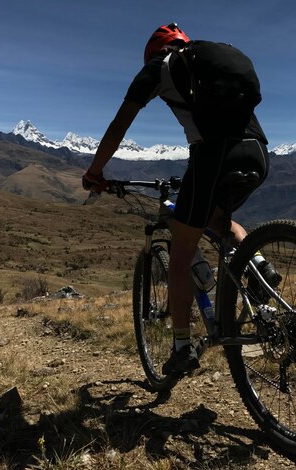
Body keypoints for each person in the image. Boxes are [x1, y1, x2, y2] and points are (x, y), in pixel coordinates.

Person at [82, 23, 278, 376]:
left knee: (181, 248)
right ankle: (260, 267)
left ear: (155, 50)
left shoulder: (160, 66)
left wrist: (94, 172)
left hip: (214, 156)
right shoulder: (210, 57)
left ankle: (182, 347)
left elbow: (120, 123)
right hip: (258, 154)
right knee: (219, 221)